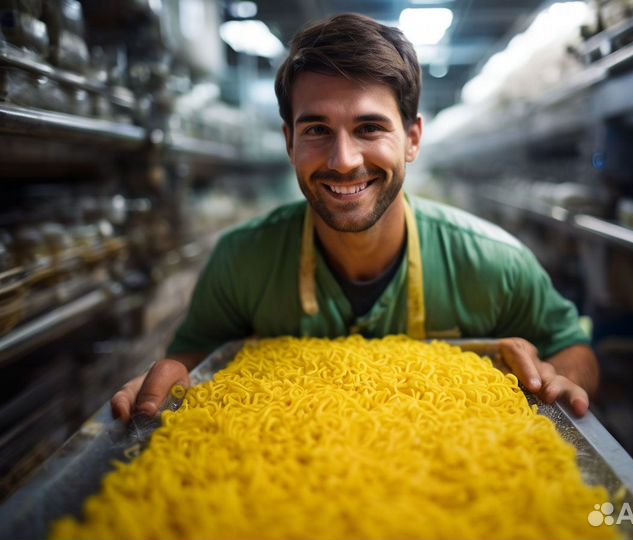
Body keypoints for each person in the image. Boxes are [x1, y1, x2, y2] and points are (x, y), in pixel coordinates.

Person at [112, 13, 598, 423]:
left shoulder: (495, 263)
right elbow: (191, 357)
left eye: (369, 127)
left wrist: (558, 376)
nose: (344, 160)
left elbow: (575, 350)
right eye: (317, 129)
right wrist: (168, 376)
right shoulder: (242, 260)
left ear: (412, 139)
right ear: (289, 142)